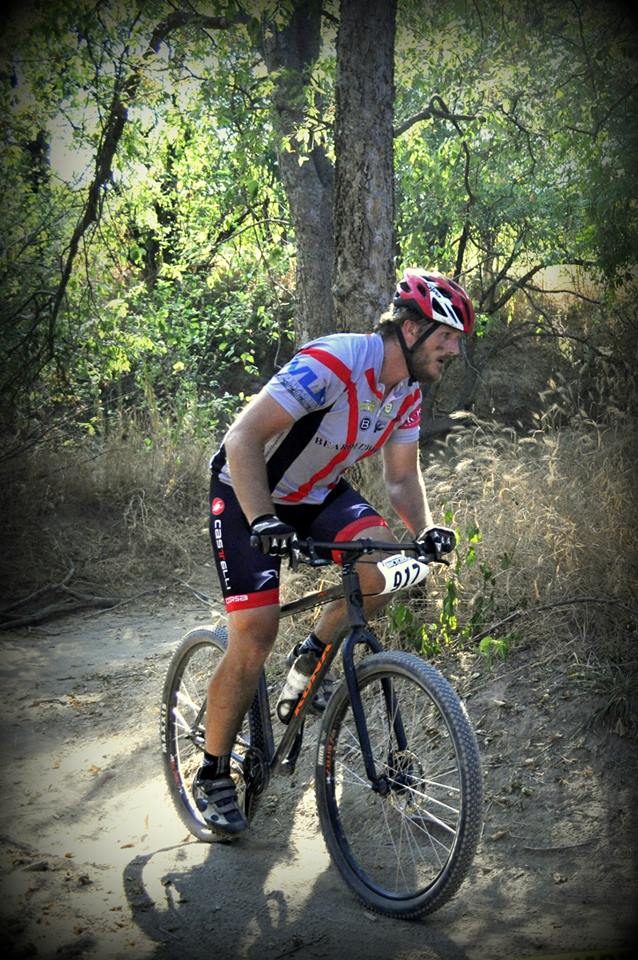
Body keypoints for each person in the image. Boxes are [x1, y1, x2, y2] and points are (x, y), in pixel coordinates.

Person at [194, 269, 475, 835]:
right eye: (446, 335)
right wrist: (263, 519)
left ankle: (313, 655)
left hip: (315, 494)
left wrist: (425, 529)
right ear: (412, 329)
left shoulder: (406, 393)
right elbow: (242, 439)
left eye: (456, 340)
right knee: (255, 633)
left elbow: (401, 478)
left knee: (383, 570)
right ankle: (212, 772)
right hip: (247, 490)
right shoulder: (335, 361)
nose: (453, 349)